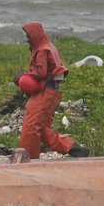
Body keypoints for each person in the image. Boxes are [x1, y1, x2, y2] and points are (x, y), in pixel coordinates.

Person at [16, 23, 90, 159]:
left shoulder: (42, 50)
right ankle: (77, 150)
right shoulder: (50, 47)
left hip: (44, 94)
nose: (27, 39)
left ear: (35, 35)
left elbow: (40, 72)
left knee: (31, 127)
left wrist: (23, 76)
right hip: (52, 93)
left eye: (29, 36)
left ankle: (29, 160)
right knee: (44, 131)